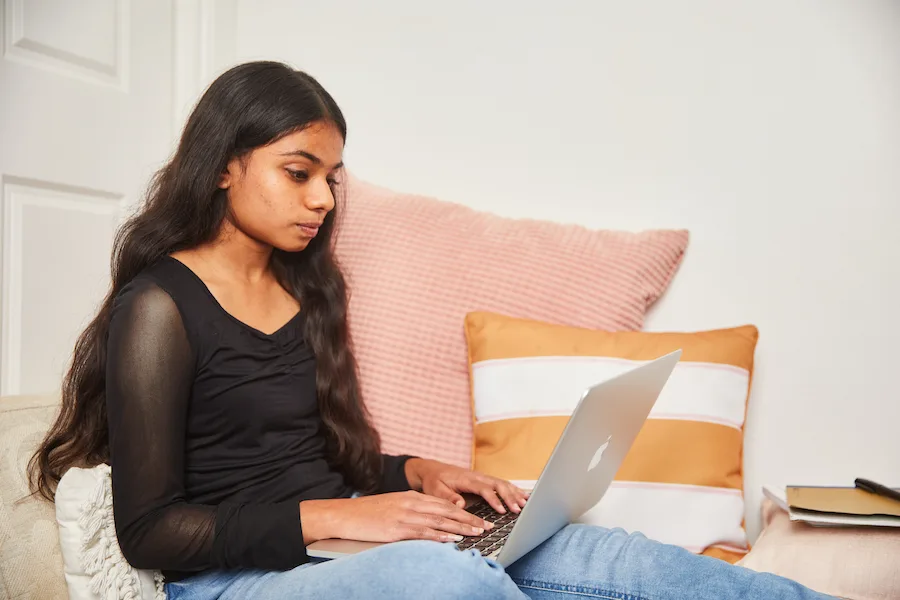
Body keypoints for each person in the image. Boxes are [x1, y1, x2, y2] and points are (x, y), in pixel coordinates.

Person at [29, 61, 832, 600]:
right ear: (222, 166)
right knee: (451, 580)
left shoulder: (305, 288)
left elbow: (314, 457)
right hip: (239, 579)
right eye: (298, 173)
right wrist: (343, 517)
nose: (322, 201)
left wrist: (418, 473)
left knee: (615, 555)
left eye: (331, 179)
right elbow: (150, 529)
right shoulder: (158, 307)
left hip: (340, 543)